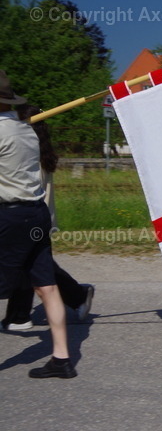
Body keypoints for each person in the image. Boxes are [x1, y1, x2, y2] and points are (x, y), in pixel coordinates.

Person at [0, 70, 76, 378]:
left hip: (8, 215)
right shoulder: (26, 131)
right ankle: (61, 358)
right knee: (47, 286)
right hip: (35, 212)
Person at [2, 103, 94, 330]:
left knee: (31, 265)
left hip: (29, 214)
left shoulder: (27, 146)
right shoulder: (35, 144)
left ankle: (76, 295)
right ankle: (19, 315)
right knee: (30, 265)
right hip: (35, 215)